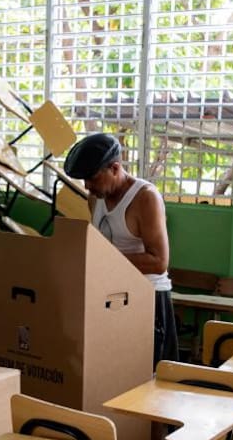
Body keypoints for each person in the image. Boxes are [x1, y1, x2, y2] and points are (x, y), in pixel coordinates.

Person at [63, 133, 179, 366]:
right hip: (111, 297)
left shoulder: (145, 198)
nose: (87, 186)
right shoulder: (95, 198)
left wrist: (104, 260)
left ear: (115, 168)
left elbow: (159, 262)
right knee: (112, 374)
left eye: (93, 178)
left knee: (148, 381)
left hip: (148, 299)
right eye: (84, 180)